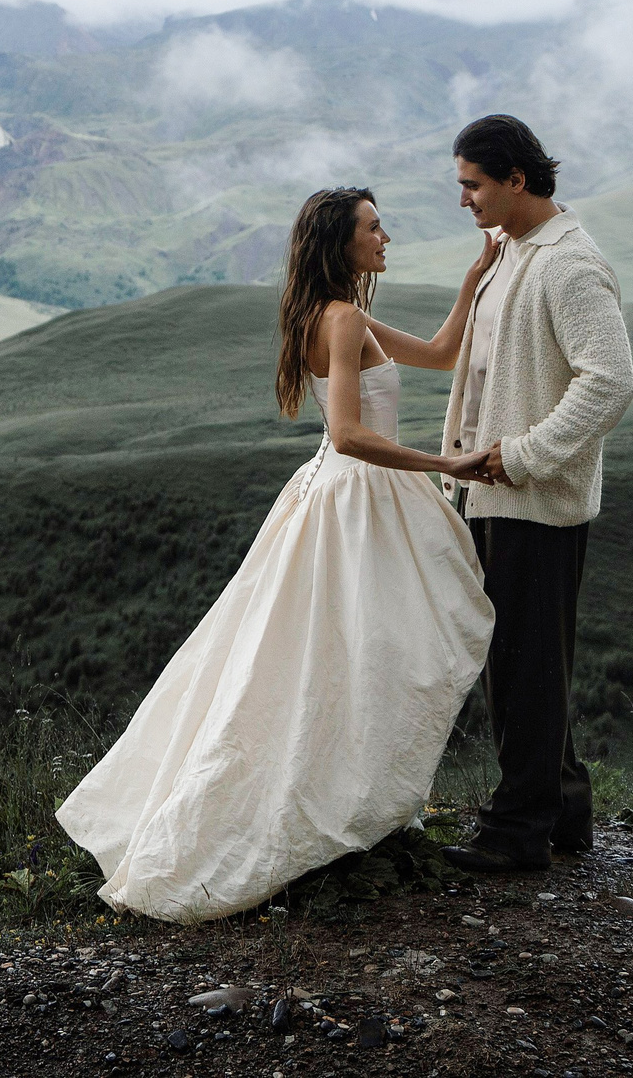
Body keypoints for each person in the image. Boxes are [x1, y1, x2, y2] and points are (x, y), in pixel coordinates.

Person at [56, 187, 499, 922]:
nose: (385, 237)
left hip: (341, 493)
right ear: (340, 242)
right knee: (365, 653)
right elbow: (350, 433)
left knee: (335, 656)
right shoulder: (343, 317)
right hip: (357, 498)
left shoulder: (330, 313)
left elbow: (442, 353)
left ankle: (354, 799)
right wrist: (445, 463)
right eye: (373, 228)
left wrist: (472, 281)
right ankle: (336, 804)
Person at [439, 115, 633, 874]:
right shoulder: (512, 251)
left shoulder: (569, 264)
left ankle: (517, 833)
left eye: (473, 184)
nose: (464, 198)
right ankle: (564, 811)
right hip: (495, 490)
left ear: (516, 179)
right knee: (530, 662)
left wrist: (523, 457)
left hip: (532, 497)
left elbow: (611, 382)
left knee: (521, 668)